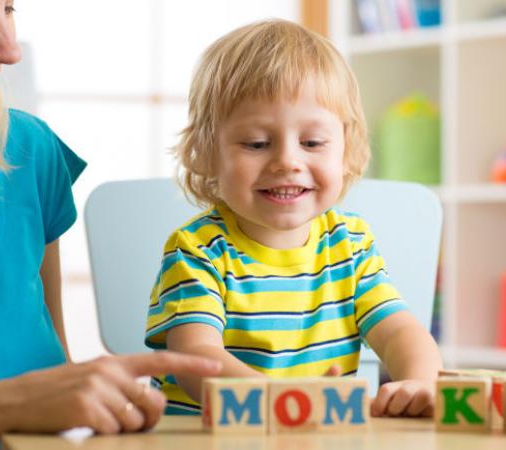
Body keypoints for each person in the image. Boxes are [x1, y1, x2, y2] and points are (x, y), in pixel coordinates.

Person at [0, 1, 221, 448]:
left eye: (9, 8)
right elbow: (19, 400)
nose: (11, 51)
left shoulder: (27, 157)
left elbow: (54, 379)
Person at [145, 19, 443, 417]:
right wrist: (285, 403)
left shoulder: (349, 243)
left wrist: (420, 381)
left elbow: (400, 331)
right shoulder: (196, 251)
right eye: (256, 143)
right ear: (205, 153)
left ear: (346, 149)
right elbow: (196, 358)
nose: (287, 161)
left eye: (312, 143)